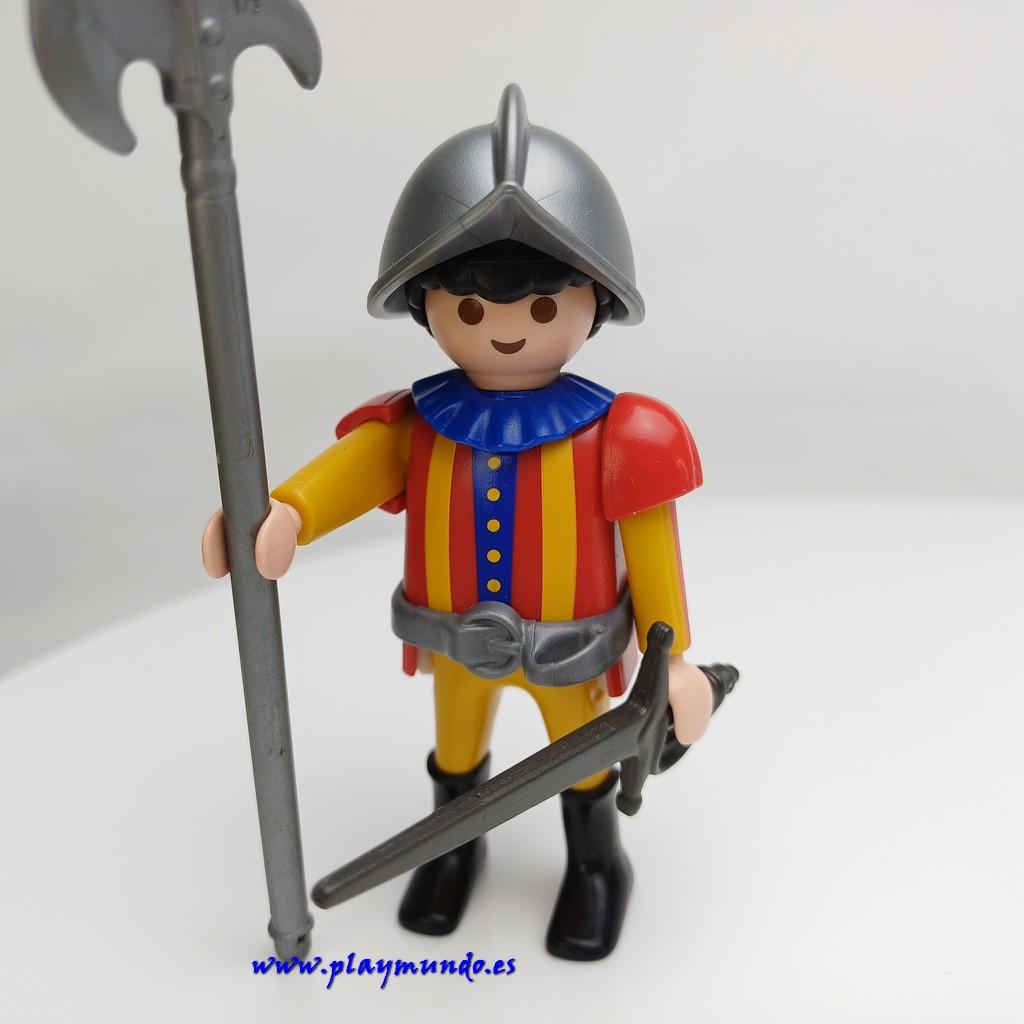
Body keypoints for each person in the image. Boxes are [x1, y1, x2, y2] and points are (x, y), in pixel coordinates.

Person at [202, 84, 712, 961]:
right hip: (451, 641)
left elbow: (650, 549)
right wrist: (282, 511)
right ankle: (454, 847)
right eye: (470, 309)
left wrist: (675, 661)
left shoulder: (619, 433)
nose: (505, 330)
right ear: (426, 304)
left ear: (594, 301)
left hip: (569, 648)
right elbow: (352, 471)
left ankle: (596, 864)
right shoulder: (422, 422)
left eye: (542, 307)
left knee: (583, 759)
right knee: (456, 748)